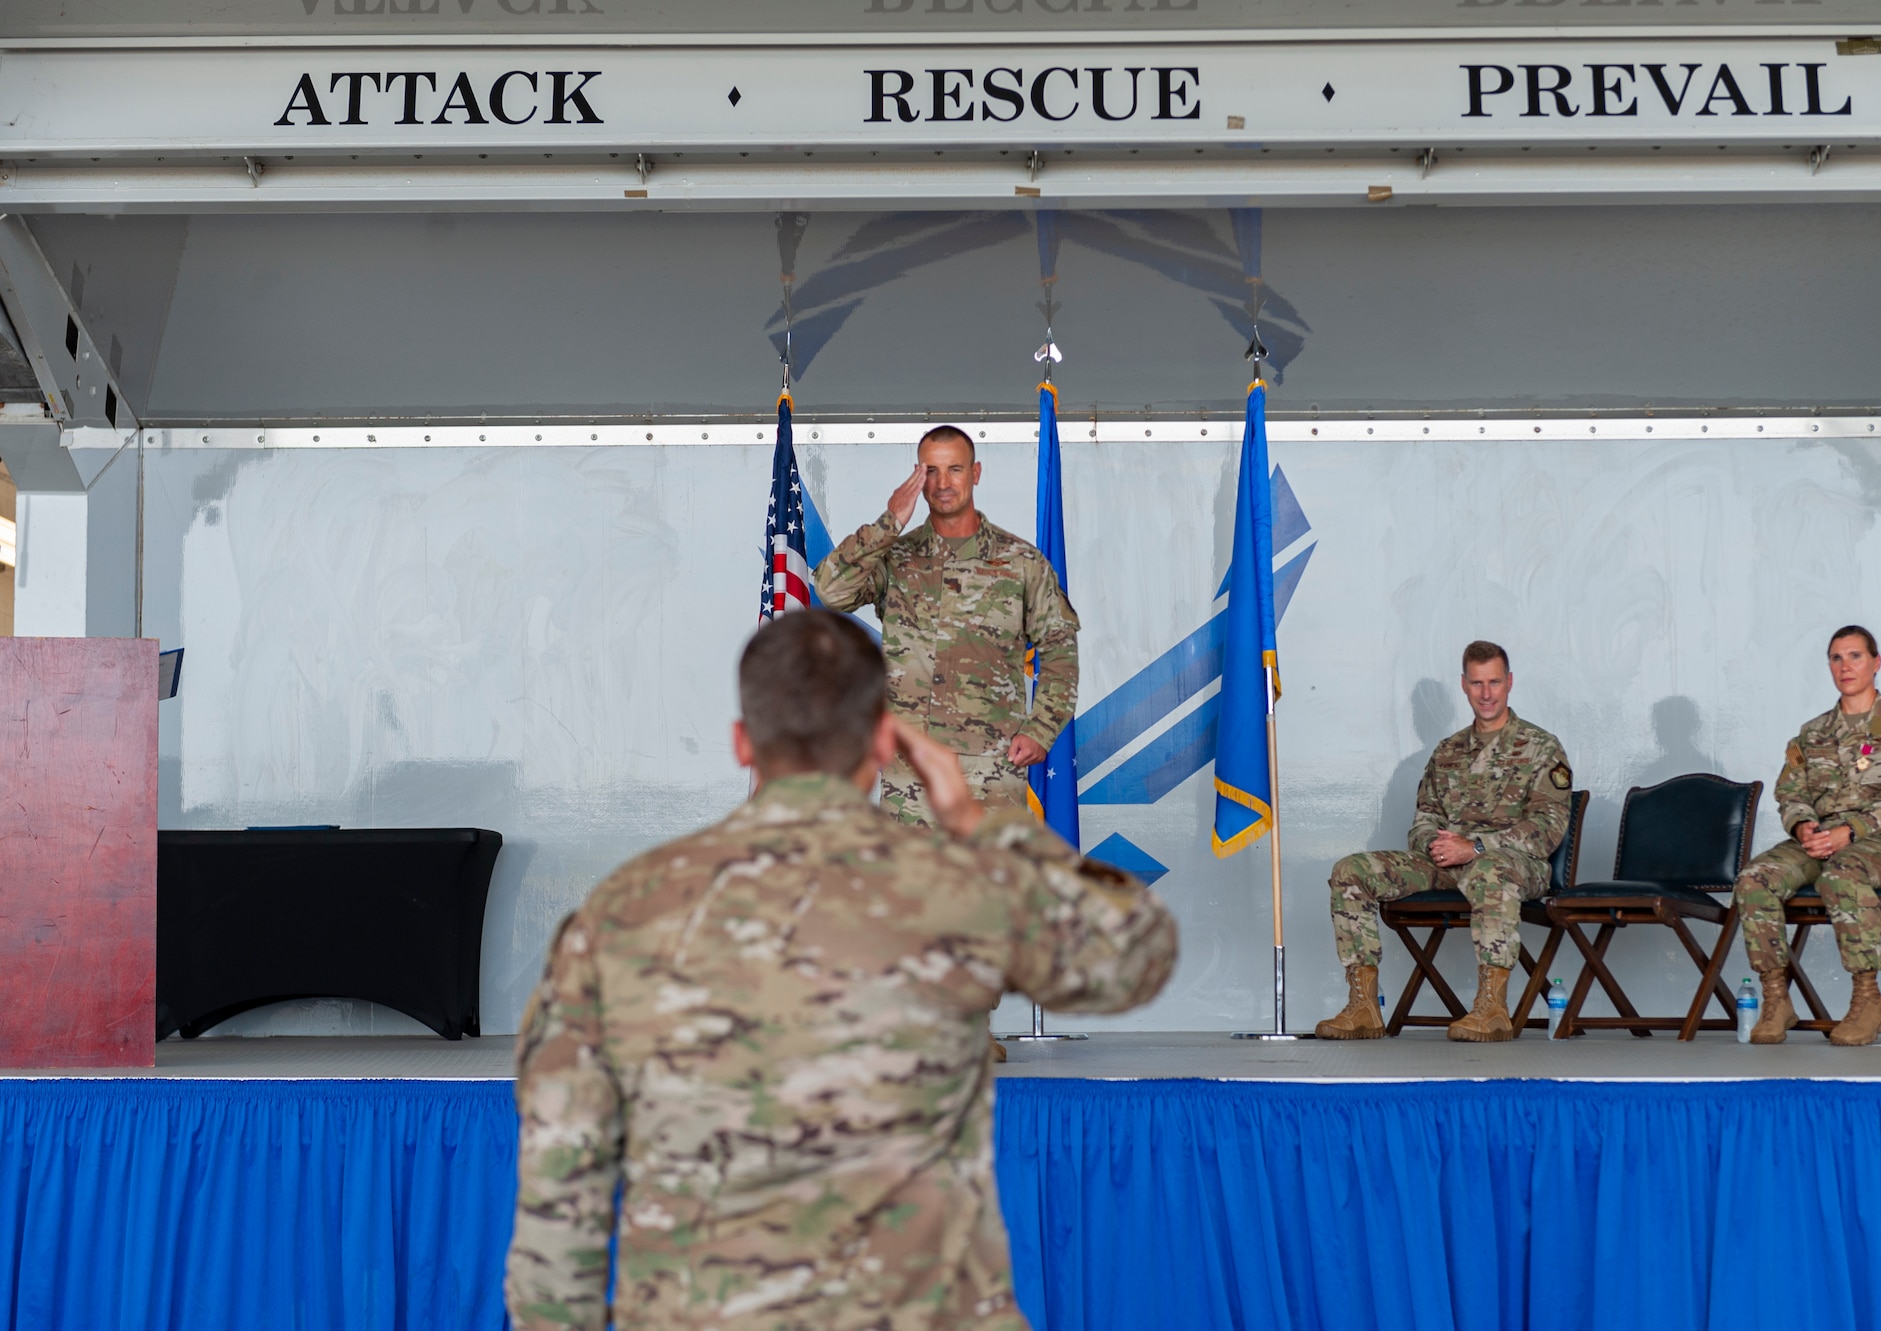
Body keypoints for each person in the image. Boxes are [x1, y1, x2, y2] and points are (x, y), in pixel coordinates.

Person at [506, 610, 1176, 1331]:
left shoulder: (622, 910)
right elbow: (1136, 952)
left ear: (741, 743)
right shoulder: (953, 885)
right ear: (885, 742)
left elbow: (561, 1174)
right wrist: (983, 824)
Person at [813, 425, 1078, 828]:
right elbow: (831, 591)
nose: (943, 483)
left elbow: (1059, 647)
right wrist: (889, 523)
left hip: (990, 770)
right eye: (931, 471)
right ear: (917, 477)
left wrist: (1041, 730)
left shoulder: (1020, 561)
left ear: (976, 473)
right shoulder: (895, 557)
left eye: (955, 469)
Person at [1317, 641, 1573, 1043]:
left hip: (1514, 865)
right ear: (1464, 685)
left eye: (1493, 682)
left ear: (1509, 683)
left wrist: (1475, 847)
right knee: (1351, 870)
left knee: (1491, 869)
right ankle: (1363, 1006)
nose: (1486, 693)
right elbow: (1425, 817)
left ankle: (1492, 1009)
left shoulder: (1541, 746)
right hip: (1447, 863)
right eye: (1476, 683)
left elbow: (1548, 826)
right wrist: (1436, 847)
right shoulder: (1448, 751)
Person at [1736, 625, 1881, 1046]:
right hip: (1820, 841)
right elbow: (1790, 791)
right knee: (1755, 878)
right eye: (1836, 658)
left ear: (1876, 663)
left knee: (1841, 873)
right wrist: (1803, 824)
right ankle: (1776, 999)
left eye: (1855, 656)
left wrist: (1851, 830)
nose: (1845, 666)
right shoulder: (1813, 733)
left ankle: (1868, 1000)